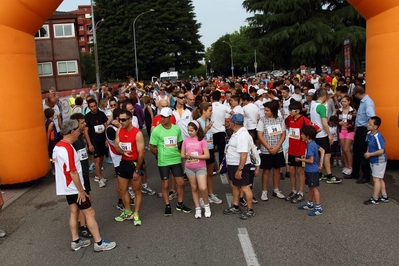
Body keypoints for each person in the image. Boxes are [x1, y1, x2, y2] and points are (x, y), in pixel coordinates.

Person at [52, 120, 116, 252]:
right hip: (74, 187)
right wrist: (81, 191)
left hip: (66, 187)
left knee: (74, 211)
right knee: (90, 212)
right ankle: (98, 242)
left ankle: (75, 241)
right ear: (71, 132)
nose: (79, 133)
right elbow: (73, 171)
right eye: (78, 131)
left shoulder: (57, 147)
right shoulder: (68, 149)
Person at [149, 108, 192, 216]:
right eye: (161, 117)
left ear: (170, 117)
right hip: (163, 162)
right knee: (165, 184)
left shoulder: (176, 129)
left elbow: (178, 144)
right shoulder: (156, 130)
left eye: (164, 117)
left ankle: (180, 203)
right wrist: (159, 156)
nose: (162, 119)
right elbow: (152, 147)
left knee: (181, 183)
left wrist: (175, 153)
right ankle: (167, 205)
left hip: (176, 160)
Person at [285, 101, 320, 203]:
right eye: (289, 110)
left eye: (292, 110)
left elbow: (317, 129)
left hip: (301, 150)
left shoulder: (304, 119)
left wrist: (307, 138)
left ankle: (300, 192)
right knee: (291, 171)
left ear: (298, 111)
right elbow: (286, 127)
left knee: (300, 172)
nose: (290, 112)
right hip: (291, 149)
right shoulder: (289, 119)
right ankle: (293, 190)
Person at [114, 110, 145, 226]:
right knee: (122, 189)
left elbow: (141, 153)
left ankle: (136, 213)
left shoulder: (137, 133)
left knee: (137, 190)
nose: (120, 122)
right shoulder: (119, 130)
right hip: (124, 162)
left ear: (130, 120)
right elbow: (116, 146)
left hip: (134, 163)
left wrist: (137, 170)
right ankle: (128, 211)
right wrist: (122, 151)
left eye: (123, 120)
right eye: (119, 119)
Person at [223, 114, 256, 220]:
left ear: (234, 123)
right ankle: (236, 206)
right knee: (235, 185)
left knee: (245, 187)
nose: (229, 123)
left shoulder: (242, 135)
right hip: (233, 164)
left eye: (230, 122)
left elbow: (244, 154)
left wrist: (240, 169)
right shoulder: (237, 133)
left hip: (240, 165)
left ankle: (250, 209)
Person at [193, 102, 223, 205]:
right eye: (210, 111)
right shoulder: (197, 122)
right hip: (201, 151)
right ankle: (202, 197)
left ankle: (211, 194)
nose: (211, 113)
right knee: (202, 175)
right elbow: (197, 138)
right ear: (204, 111)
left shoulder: (208, 121)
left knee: (210, 174)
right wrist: (205, 130)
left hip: (210, 149)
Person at [310, 89, 342, 184]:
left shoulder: (313, 105)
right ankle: (329, 175)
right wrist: (329, 135)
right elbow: (324, 122)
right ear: (324, 97)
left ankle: (319, 173)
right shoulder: (321, 107)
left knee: (319, 154)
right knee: (327, 154)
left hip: (315, 134)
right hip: (322, 134)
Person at [257, 101, 287, 201]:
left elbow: (283, 134)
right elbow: (260, 135)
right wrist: (268, 147)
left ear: (273, 110)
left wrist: (277, 147)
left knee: (277, 170)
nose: (265, 112)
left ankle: (276, 190)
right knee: (266, 171)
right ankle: (264, 191)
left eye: (267, 110)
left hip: (278, 149)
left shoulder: (280, 119)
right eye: (264, 110)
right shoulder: (262, 120)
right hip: (266, 150)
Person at [181, 121, 211, 218]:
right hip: (189, 168)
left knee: (203, 188)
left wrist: (195, 156)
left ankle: (206, 205)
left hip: (200, 167)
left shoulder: (202, 141)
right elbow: (182, 154)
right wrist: (186, 156)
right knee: (194, 188)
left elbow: (207, 155)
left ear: (197, 130)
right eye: (188, 130)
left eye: (191, 130)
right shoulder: (185, 140)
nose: (189, 132)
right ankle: (197, 208)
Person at [70, 113, 92, 239]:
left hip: (81, 178)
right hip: (80, 179)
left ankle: (80, 227)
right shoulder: (75, 142)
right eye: (82, 123)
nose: (85, 124)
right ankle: (83, 227)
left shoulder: (79, 138)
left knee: (75, 207)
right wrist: (82, 187)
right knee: (84, 204)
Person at [296, 125, 325, 216]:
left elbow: (311, 160)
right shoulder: (313, 143)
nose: (301, 136)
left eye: (303, 134)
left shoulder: (310, 146)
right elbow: (322, 150)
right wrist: (321, 161)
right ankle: (309, 203)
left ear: (307, 136)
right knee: (310, 187)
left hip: (312, 170)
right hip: (311, 169)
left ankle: (318, 207)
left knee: (314, 188)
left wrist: (300, 160)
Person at [351, 86, 375, 184]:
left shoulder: (368, 102)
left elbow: (371, 116)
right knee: (356, 151)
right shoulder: (363, 102)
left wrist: (367, 128)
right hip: (360, 128)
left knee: (362, 152)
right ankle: (355, 173)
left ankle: (366, 175)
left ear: (357, 94)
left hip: (364, 129)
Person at [363, 116, 389, 205]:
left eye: (370, 124)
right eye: (368, 123)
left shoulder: (378, 136)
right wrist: (367, 152)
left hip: (379, 160)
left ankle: (375, 198)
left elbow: (381, 150)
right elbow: (368, 145)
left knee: (376, 179)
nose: (368, 125)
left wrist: (370, 154)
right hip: (373, 159)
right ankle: (384, 196)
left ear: (375, 127)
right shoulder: (368, 134)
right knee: (379, 178)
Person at [84, 99, 108, 188]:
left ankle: (98, 175)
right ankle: (100, 178)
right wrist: (89, 144)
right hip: (94, 141)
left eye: (95, 106)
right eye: (92, 107)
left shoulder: (101, 114)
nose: (94, 108)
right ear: (89, 107)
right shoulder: (87, 117)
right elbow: (86, 132)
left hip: (102, 139)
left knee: (101, 158)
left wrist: (107, 139)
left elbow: (106, 127)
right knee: (97, 159)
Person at [336, 95, 356, 176]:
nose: (343, 103)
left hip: (349, 131)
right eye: (342, 101)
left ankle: (350, 167)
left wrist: (350, 125)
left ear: (349, 102)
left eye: (344, 101)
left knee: (347, 149)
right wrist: (339, 123)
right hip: (341, 131)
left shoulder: (353, 111)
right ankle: (346, 165)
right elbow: (335, 120)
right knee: (343, 150)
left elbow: (354, 121)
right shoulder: (339, 111)